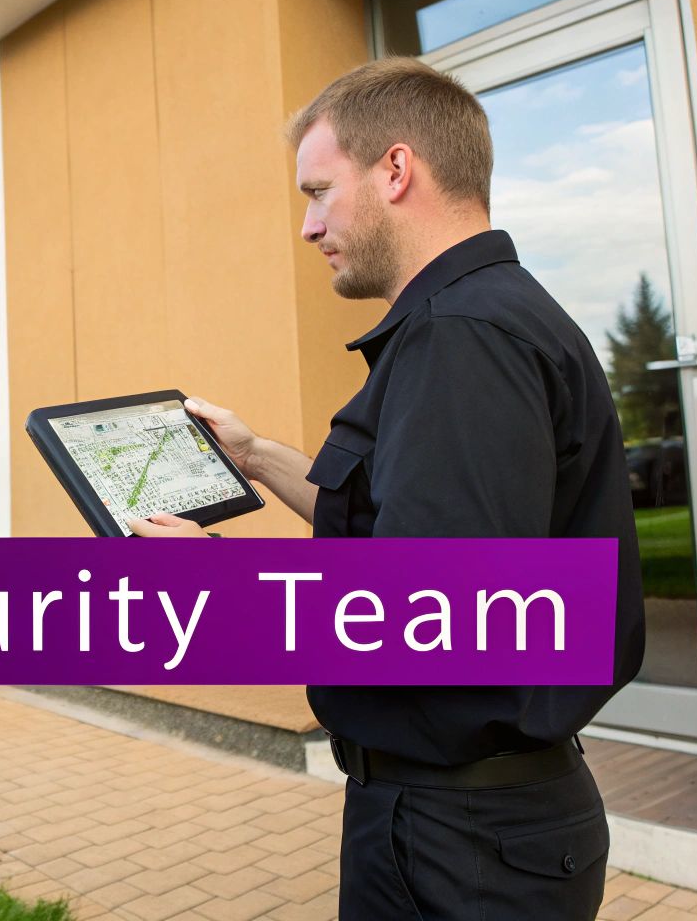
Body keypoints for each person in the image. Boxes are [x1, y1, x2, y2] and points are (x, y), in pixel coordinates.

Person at [130, 57, 646, 920]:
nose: (308, 226)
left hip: (461, 841)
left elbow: (430, 613)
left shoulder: (462, 339)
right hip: (479, 824)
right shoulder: (484, 319)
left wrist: (213, 585)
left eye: (319, 191)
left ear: (396, 170)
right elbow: (392, 526)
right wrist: (255, 456)